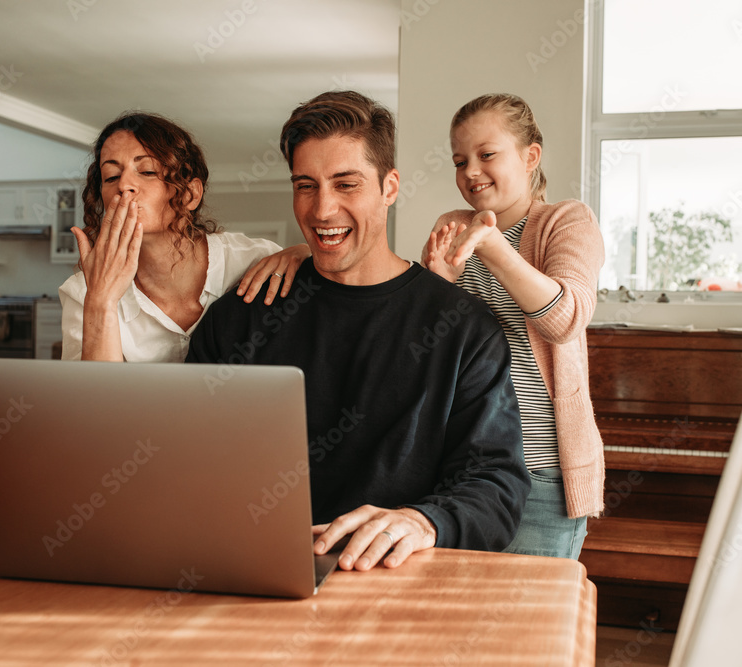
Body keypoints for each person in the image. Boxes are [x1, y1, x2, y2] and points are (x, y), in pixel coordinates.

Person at [186, 91, 530, 572]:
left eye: (346, 184)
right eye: (306, 186)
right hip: (255, 570)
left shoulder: (463, 329)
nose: (322, 210)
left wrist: (423, 521)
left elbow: (496, 484)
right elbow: (188, 458)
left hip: (396, 579)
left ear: (390, 187)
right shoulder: (240, 316)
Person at [421, 93, 605, 560]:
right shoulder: (453, 225)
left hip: (543, 476)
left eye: (487, 155)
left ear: (530, 157)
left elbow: (565, 320)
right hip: (462, 473)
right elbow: (433, 352)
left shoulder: (567, 220)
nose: (470, 172)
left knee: (531, 628)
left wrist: (493, 245)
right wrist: (437, 289)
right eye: (460, 161)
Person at [59, 111, 308, 362]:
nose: (123, 185)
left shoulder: (257, 261)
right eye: (111, 177)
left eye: (146, 171)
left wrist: (305, 254)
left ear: (190, 194)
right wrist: (100, 302)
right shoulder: (82, 292)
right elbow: (95, 398)